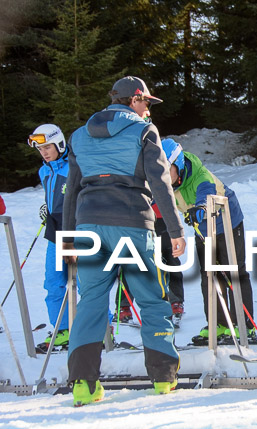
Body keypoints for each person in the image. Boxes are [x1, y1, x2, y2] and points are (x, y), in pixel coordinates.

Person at [62, 76, 186, 406]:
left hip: (88, 224)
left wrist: (69, 238)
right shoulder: (144, 132)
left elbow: (71, 190)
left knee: (90, 302)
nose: (149, 110)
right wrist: (175, 231)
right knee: (151, 297)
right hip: (132, 221)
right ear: (133, 100)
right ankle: (163, 379)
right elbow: (160, 184)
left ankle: (83, 386)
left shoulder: (78, 136)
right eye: (146, 102)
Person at [161, 138, 257, 345]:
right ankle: (219, 323)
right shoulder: (165, 182)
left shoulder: (199, 175)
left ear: (177, 165)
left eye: (166, 169)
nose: (163, 175)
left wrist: (201, 207)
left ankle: (245, 327)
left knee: (235, 272)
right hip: (202, 229)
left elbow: (206, 194)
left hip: (227, 221)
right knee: (209, 276)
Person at [28, 124, 71, 353]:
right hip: (55, 232)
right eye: (40, 149)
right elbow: (53, 197)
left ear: (59, 143)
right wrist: (47, 208)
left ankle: (102, 327)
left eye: (47, 147)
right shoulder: (44, 171)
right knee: (54, 283)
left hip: (78, 230)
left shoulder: (74, 166)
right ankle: (62, 329)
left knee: (87, 283)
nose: (44, 152)